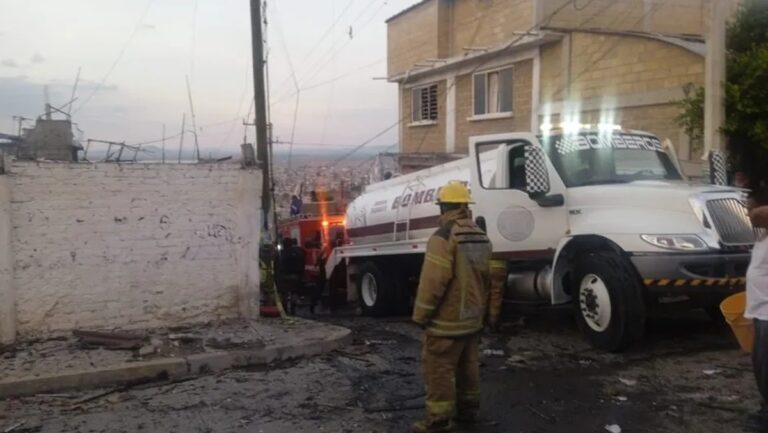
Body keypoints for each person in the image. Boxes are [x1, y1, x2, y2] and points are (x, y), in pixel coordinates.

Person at [411, 180, 500, 433]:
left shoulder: (443, 237)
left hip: (446, 323)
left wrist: (421, 315)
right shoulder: (481, 237)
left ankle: (438, 421)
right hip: (471, 320)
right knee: (468, 368)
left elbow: (433, 282)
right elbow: (486, 279)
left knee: (439, 370)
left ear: (443, 207)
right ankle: (468, 413)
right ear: (465, 206)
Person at [745, 187, 768, 432]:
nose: (748, 213)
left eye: (750, 207)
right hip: (760, 312)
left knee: (766, 369)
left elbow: (760, 214)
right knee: (761, 367)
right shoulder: (763, 237)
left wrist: (754, 210)